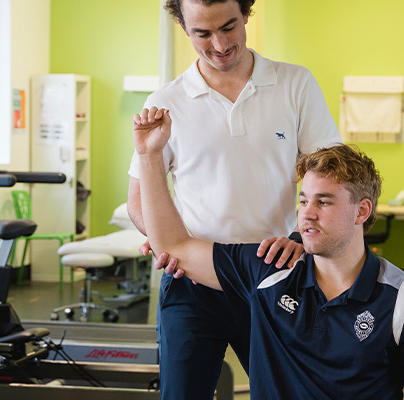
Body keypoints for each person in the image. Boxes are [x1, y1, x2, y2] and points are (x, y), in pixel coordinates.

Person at [132, 110, 404, 398]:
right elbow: (174, 246)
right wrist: (149, 155)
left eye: (323, 202)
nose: (307, 214)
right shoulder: (270, 270)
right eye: (303, 201)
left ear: (362, 211)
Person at [127, 0, 341, 397]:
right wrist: (162, 240)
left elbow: (331, 177)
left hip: (273, 272)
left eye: (228, 27)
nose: (220, 45)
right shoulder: (166, 101)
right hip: (192, 277)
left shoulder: (295, 83)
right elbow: (138, 200)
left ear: (246, 13)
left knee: (288, 392)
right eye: (203, 34)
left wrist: (301, 238)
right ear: (184, 28)